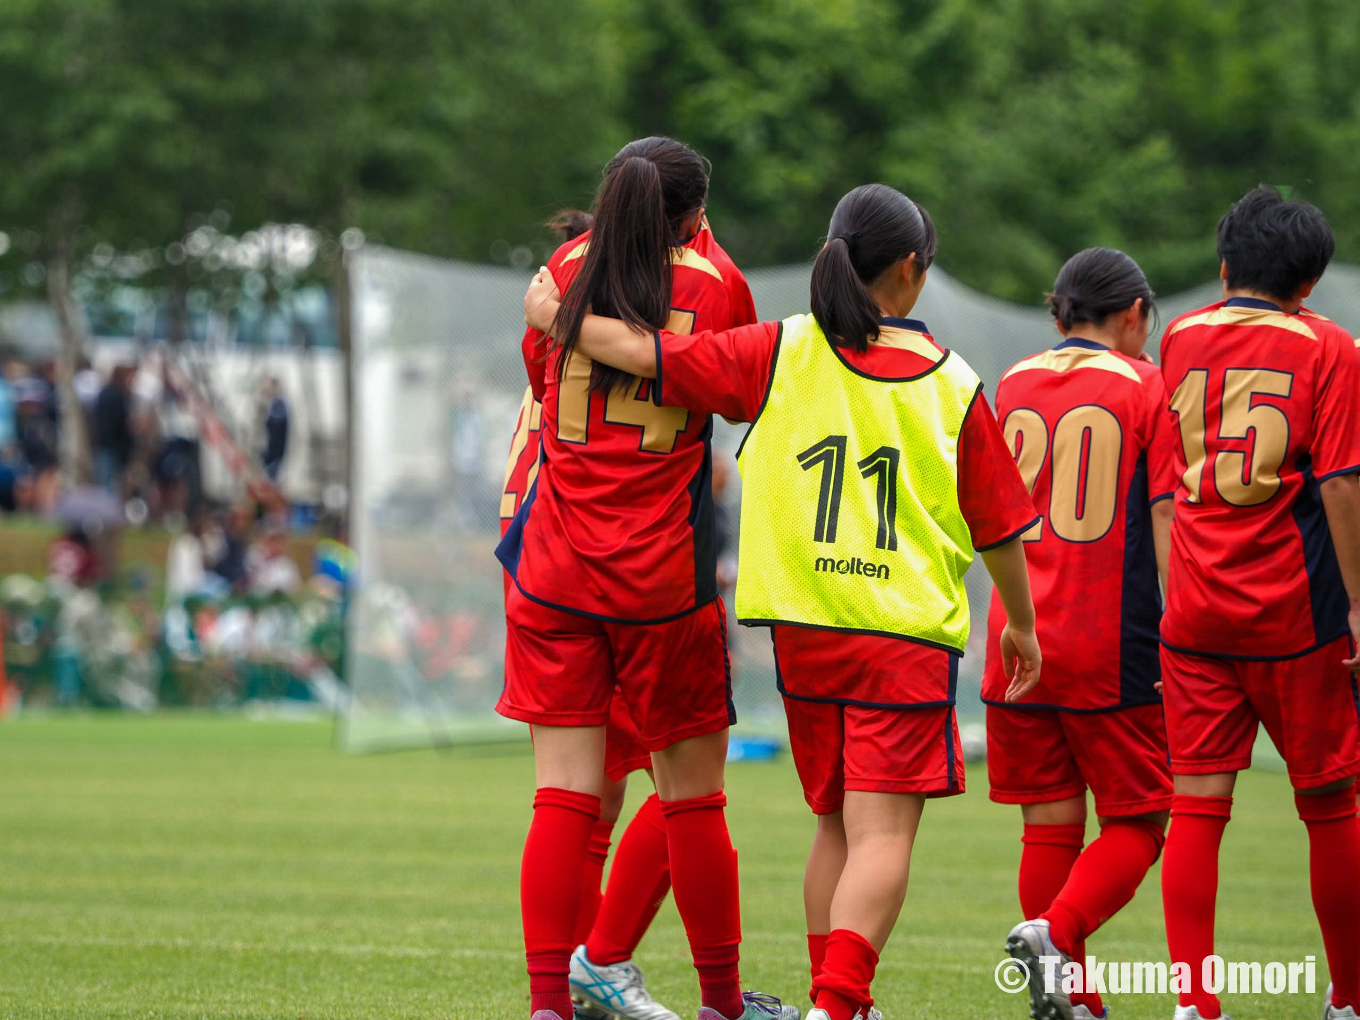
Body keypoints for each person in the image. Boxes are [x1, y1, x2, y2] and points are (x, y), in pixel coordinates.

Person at [524, 182, 1043, 1020]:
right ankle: (837, 1005)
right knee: (882, 835)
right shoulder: (952, 382)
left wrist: (562, 318)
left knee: (836, 827)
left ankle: (832, 1002)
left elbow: (657, 356)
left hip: (803, 631)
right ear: (910, 272)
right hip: (900, 634)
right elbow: (1000, 526)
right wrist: (1021, 624)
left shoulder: (781, 350)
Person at [496, 137, 794, 1020]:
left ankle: (552, 1005)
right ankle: (720, 1006)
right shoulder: (715, 281)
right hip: (662, 575)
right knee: (694, 799)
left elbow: (539, 376)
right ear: (697, 214)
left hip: (554, 564)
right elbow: (730, 386)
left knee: (564, 797)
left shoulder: (564, 265)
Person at [1157, 186, 1360, 1020]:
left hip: (1197, 609)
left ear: (1224, 264)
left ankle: (1193, 1005)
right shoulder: (1331, 348)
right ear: (1309, 281)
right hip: (1295, 613)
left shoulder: (1178, 336)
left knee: (1197, 807)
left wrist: (1178, 595)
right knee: (1331, 803)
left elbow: (1166, 486)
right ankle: (1348, 999)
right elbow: (1343, 484)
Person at [984, 249, 1177, 1020]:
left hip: (1016, 633)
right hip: (1108, 638)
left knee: (1049, 821)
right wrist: (1180, 621)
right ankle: (1058, 935)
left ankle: (1076, 999)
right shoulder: (1146, 385)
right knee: (1141, 817)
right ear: (1133, 314)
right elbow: (1162, 516)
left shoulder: (1015, 381)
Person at [497, 207, 680, 1020]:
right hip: (608, 582)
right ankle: (596, 963)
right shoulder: (616, 367)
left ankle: (566, 988)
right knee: (681, 796)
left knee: (581, 804)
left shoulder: (548, 366)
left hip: (540, 581)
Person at [94, 365, 135, 495]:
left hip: (104, 442)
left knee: (105, 479)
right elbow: (121, 422)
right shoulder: (117, 395)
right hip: (114, 444)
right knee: (110, 481)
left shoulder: (104, 392)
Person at [261, 377, 289, 482]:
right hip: (271, 451)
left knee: (273, 475)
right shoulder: (273, 404)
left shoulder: (279, 404)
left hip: (276, 452)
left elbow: (277, 422)